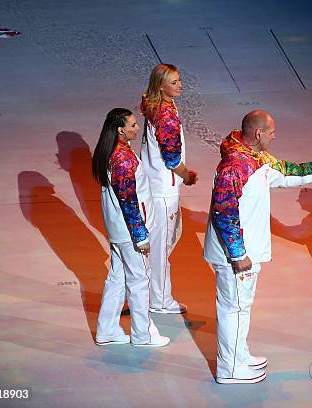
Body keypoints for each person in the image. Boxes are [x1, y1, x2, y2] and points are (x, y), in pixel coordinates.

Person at [203, 110, 312, 384]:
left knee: (242, 306)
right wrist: (238, 253)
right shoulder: (235, 166)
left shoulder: (255, 157)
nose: (275, 137)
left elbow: (284, 172)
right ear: (258, 134)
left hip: (246, 248)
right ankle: (229, 370)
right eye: (272, 132)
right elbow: (223, 211)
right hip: (236, 253)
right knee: (233, 308)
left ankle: (239, 356)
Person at [92, 108, 170, 347]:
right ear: (120, 129)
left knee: (117, 277)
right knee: (139, 279)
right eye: (133, 125)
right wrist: (140, 236)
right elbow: (129, 201)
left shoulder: (113, 152)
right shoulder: (123, 159)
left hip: (117, 230)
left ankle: (106, 330)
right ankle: (142, 334)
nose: (137, 128)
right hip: (129, 232)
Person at [140, 64, 198, 314]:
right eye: (174, 82)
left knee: (160, 242)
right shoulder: (165, 115)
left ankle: (150, 294)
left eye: (179, 80)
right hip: (164, 188)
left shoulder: (154, 105)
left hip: (153, 183)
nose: (180, 85)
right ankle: (160, 301)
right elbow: (172, 158)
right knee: (162, 245)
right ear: (161, 86)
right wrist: (188, 176)